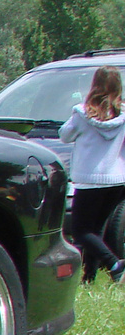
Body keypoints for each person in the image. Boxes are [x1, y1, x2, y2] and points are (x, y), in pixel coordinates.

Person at [60, 66, 125, 283]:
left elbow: (65, 136)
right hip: (116, 180)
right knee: (95, 231)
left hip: (90, 180)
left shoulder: (82, 113)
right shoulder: (123, 115)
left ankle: (115, 264)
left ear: (94, 85)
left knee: (80, 232)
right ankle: (89, 278)